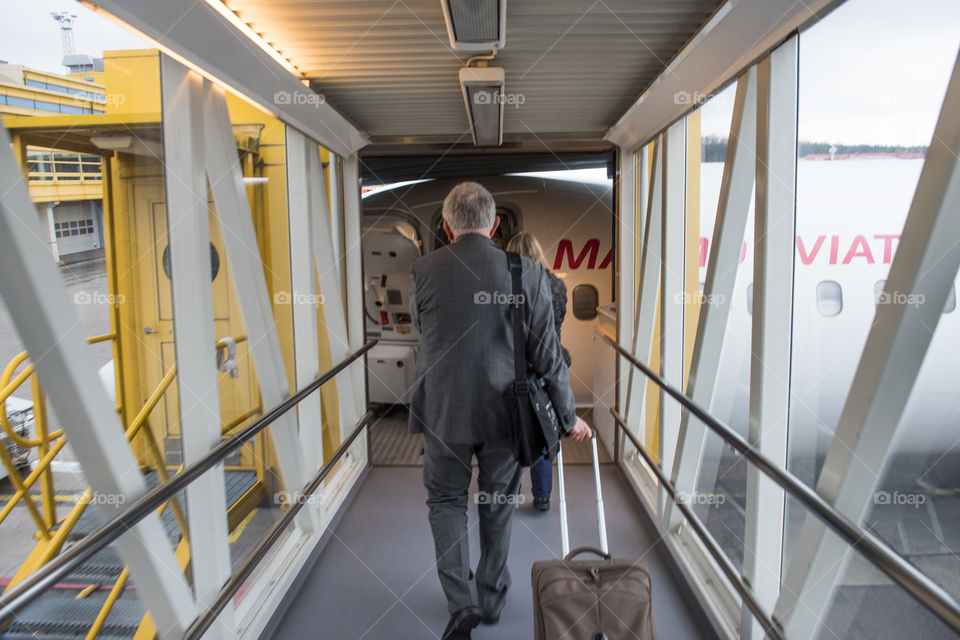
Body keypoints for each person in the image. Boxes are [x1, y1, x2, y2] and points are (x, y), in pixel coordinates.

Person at [408, 181, 591, 640]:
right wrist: (568, 419)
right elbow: (548, 357)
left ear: (447, 227)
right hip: (506, 417)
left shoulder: (424, 271)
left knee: (446, 503)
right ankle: (490, 597)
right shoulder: (525, 273)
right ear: (494, 225)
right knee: (498, 503)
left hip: (445, 412)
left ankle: (460, 602)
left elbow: (422, 330)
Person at [505, 231, 571, 512]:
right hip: (545, 370)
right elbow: (556, 326)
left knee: (510, 431)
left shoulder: (504, 284)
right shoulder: (555, 284)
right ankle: (542, 495)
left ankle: (509, 493)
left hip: (511, 370)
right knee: (544, 429)